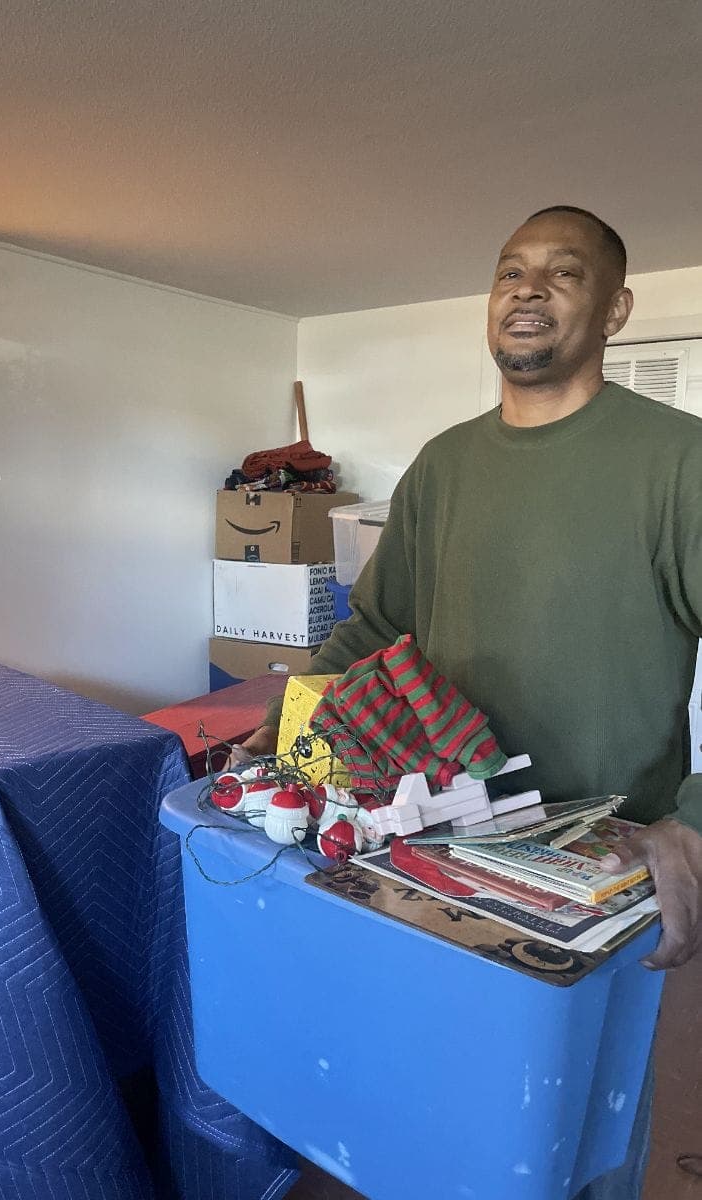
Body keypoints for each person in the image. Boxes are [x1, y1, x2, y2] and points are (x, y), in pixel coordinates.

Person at [237, 205, 702, 1198]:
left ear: (615, 308)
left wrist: (695, 826)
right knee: (430, 1116)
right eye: (510, 271)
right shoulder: (443, 467)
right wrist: (289, 740)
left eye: (563, 274)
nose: (528, 290)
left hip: (593, 881)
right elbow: (374, 628)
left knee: (573, 1148)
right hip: (431, 853)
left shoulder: (679, 463)